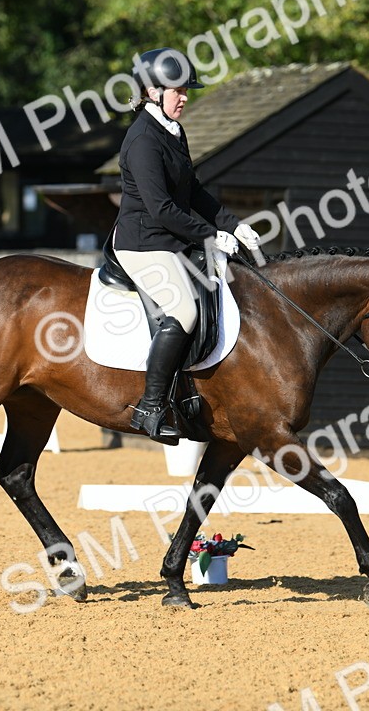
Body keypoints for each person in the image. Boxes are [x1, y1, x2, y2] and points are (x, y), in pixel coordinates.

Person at [112, 47, 260, 444]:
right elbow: (161, 208)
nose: (185, 96)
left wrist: (235, 225)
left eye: (184, 90)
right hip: (143, 244)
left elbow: (192, 192)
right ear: (152, 91)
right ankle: (151, 406)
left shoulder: (172, 132)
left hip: (170, 240)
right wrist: (212, 237)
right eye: (177, 90)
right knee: (184, 310)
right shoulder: (143, 138)